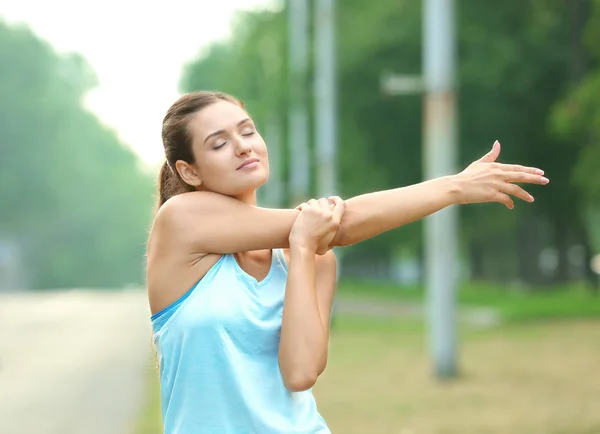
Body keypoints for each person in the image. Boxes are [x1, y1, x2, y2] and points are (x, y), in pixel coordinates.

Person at [146, 90, 549, 433]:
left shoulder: (315, 258)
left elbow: (300, 373)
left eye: (248, 131)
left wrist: (303, 253)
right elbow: (341, 225)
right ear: (189, 171)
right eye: (219, 143)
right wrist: (455, 185)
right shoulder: (182, 222)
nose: (243, 146)